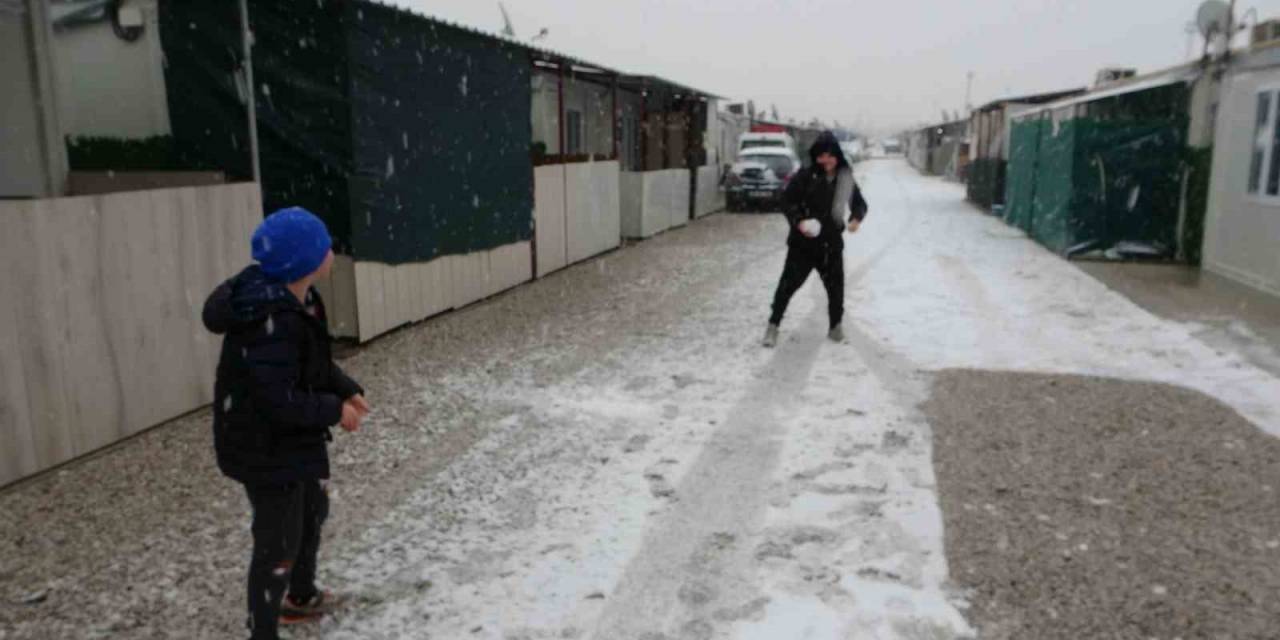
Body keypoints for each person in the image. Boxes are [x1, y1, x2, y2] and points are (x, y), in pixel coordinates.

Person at [203, 207, 370, 640]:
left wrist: (344, 386)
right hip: (262, 448)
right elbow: (278, 401)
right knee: (277, 542)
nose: (332, 252)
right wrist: (335, 411)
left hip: (292, 442)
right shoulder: (267, 321)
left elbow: (313, 364)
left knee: (313, 511)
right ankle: (262, 629)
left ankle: (300, 597)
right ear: (306, 261)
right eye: (326, 246)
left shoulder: (302, 300)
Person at [763, 132, 868, 348]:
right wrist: (799, 221)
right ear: (815, 157)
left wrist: (856, 218)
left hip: (831, 244)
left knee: (836, 288)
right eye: (821, 156)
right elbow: (786, 201)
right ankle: (773, 325)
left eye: (830, 156)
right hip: (803, 244)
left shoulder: (844, 177)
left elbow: (859, 203)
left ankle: (835, 327)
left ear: (837, 155)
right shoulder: (805, 175)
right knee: (787, 286)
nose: (826, 161)